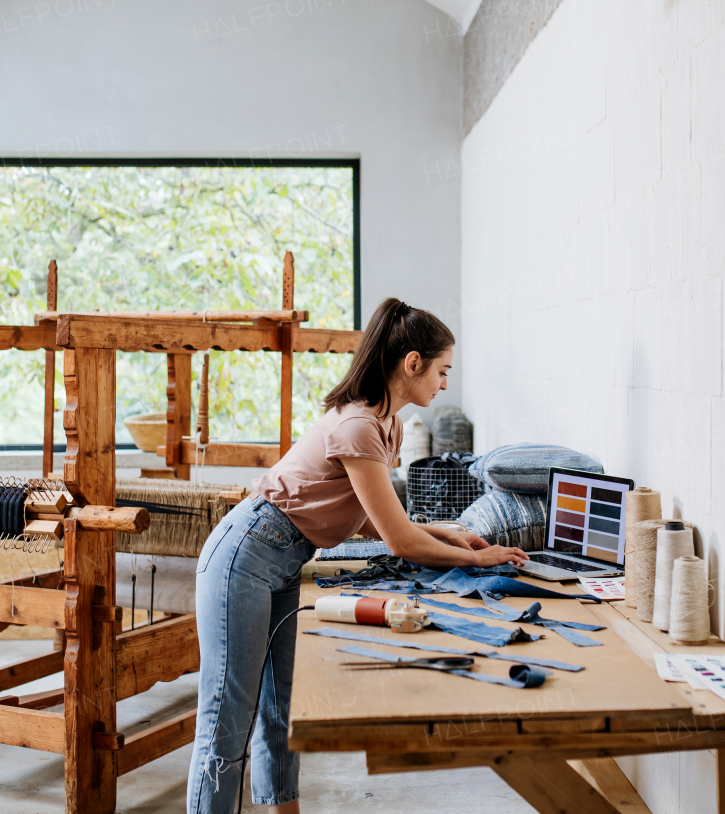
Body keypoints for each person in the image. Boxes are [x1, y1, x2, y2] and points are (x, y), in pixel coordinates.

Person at [186, 298, 528, 814]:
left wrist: (451, 535)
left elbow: (373, 516)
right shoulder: (359, 425)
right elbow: (400, 543)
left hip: (278, 560)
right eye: (442, 370)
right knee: (226, 718)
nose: (444, 383)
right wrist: (479, 561)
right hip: (245, 556)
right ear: (411, 364)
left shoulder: (385, 425)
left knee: (282, 709)